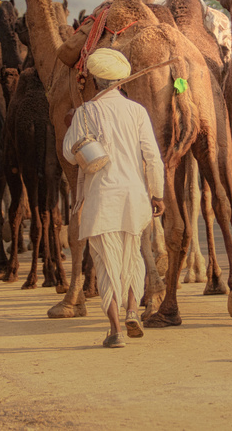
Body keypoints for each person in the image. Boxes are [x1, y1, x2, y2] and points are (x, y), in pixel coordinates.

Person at [63, 48, 165, 348]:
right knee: (132, 255)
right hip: (135, 196)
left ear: (95, 80)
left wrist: (86, 143)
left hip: (101, 198)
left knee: (107, 262)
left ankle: (115, 329)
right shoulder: (137, 112)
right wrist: (157, 193)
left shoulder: (84, 113)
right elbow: (153, 157)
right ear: (120, 81)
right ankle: (133, 308)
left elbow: (70, 153)